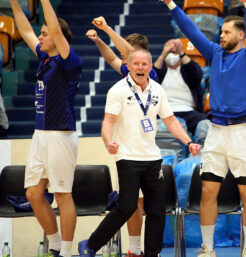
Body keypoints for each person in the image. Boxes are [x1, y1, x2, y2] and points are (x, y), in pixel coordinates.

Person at [161, 0, 246, 256]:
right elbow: (192, 32)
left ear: (241, 35)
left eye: (227, 32)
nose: (221, 35)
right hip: (216, 131)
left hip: (242, 132)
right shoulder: (215, 53)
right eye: (221, 32)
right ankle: (208, 248)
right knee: (208, 190)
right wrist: (172, 5)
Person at [78, 48, 201, 257]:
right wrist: (108, 141)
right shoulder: (118, 90)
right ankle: (90, 245)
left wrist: (188, 141)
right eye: (136, 64)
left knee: (157, 210)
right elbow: (108, 121)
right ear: (128, 66)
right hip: (127, 157)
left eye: (145, 64)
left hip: (152, 158)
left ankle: (152, 254)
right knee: (126, 206)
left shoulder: (157, 90)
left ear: (151, 67)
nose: (140, 68)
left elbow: (170, 120)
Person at [10, 1, 82, 257]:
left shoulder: (69, 61)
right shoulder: (45, 57)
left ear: (57, 36)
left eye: (45, 32)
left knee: (62, 195)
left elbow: (56, 31)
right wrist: (14, 4)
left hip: (60, 134)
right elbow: (25, 31)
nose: (40, 35)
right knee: (33, 193)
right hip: (40, 134)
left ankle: (67, 251)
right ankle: (54, 244)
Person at [86, 17, 157, 257]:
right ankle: (135, 249)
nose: (124, 60)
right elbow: (111, 57)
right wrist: (98, 41)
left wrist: (106, 29)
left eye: (127, 54)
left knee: (143, 204)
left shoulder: (148, 71)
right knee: (131, 203)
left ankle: (143, 250)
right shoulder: (128, 72)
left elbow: (125, 52)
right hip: (127, 150)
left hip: (145, 150)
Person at [154, 38, 207, 135]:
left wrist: (181, 52)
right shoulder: (161, 71)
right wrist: (163, 54)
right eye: (169, 51)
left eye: (174, 51)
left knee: (205, 123)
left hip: (189, 113)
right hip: (165, 113)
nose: (171, 53)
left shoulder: (187, 69)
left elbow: (197, 75)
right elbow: (149, 79)